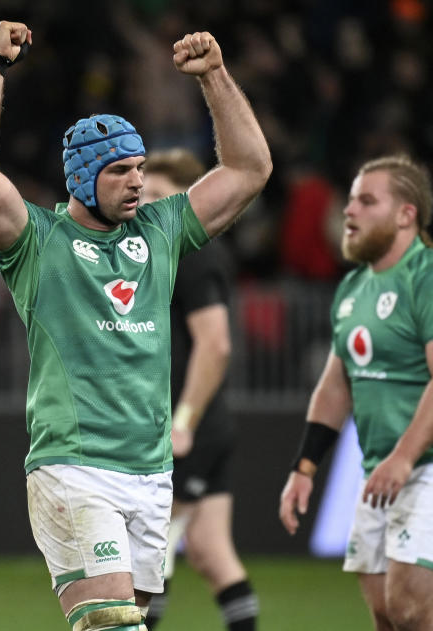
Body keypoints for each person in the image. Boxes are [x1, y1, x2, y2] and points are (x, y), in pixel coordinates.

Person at [0, 21, 271, 631]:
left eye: (140, 167)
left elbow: (251, 168)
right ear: (80, 178)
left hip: (150, 471)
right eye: (120, 170)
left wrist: (215, 77)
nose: (137, 181)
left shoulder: (159, 231)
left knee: (131, 623)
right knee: (114, 625)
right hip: (75, 465)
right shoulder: (36, 241)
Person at [279, 155, 433, 631]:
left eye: (366, 201)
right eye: (351, 199)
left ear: (405, 214)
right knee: (386, 617)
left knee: (411, 610)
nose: (349, 211)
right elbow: (336, 384)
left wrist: (404, 457)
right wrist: (305, 467)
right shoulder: (354, 287)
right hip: (381, 471)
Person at [139, 149, 258, 631]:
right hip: (201, 423)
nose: (146, 203)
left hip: (189, 425)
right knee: (210, 553)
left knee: (151, 550)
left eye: (158, 195)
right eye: (142, 192)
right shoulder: (158, 252)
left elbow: (216, 345)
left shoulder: (190, 252)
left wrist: (183, 421)